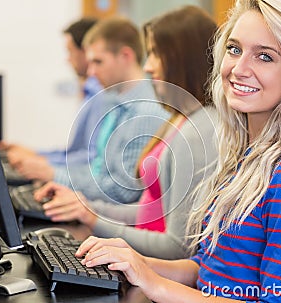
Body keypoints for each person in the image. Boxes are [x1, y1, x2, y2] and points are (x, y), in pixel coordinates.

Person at [73, 0, 281, 302]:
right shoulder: (245, 157)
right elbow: (208, 269)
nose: (238, 69)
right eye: (234, 49)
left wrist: (155, 284)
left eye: (264, 57)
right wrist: (135, 262)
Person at [34, 6, 219, 259]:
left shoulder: (198, 131)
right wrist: (88, 210)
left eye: (155, 54)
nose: (149, 66)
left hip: (155, 269)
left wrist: (92, 219)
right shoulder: (179, 120)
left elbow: (178, 247)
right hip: (146, 259)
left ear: (181, 59)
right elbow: (149, 211)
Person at [33, 17, 169, 203]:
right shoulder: (115, 103)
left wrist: (55, 175)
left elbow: (123, 191)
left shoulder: (145, 113)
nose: (91, 72)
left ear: (125, 56)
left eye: (98, 62)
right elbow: (98, 170)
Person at [3, 17, 103, 175]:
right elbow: (75, 152)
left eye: (70, 52)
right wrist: (35, 155)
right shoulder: (90, 92)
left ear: (85, 51)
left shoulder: (100, 95)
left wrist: (41, 162)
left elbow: (91, 158)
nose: (68, 59)